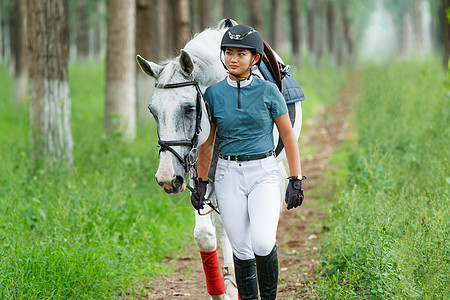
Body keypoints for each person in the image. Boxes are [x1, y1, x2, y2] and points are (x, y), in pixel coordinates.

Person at [191, 24, 305, 300]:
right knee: (241, 250)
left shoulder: (268, 91)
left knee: (263, 243)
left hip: (263, 172)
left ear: (254, 58)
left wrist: (296, 179)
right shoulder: (213, 95)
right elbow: (207, 145)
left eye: (241, 53)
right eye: (228, 52)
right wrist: (200, 182)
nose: (232, 58)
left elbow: (288, 136)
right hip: (228, 175)